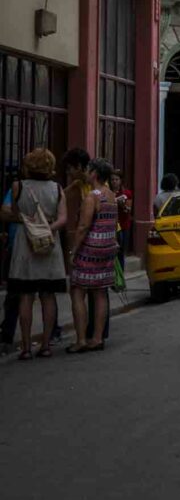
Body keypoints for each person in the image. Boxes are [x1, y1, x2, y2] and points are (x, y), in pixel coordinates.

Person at [4, 149, 67, 359]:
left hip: (25, 242)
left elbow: (13, 212)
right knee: (48, 296)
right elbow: (63, 218)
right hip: (49, 243)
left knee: (26, 296)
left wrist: (28, 222)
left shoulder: (18, 187)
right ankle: (46, 344)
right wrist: (49, 229)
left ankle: (25, 347)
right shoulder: (57, 189)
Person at [68, 158, 119, 353]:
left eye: (89, 170)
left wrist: (74, 250)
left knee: (78, 291)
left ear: (95, 174)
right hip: (107, 247)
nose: (86, 173)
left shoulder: (92, 197)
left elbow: (83, 226)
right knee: (100, 292)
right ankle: (97, 338)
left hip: (90, 249)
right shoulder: (112, 196)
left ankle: (81, 339)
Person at [0, 171, 20, 355]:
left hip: (38, 247)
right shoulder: (17, 188)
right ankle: (7, 335)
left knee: (45, 294)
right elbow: (4, 212)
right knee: (15, 294)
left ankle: (51, 332)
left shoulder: (53, 189)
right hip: (17, 246)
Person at [110, 169, 133, 269]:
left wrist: (122, 205)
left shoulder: (127, 193)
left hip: (123, 225)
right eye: (112, 179)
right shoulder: (108, 193)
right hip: (112, 226)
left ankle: (121, 274)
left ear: (120, 181)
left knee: (121, 251)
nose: (114, 181)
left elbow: (128, 210)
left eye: (116, 179)